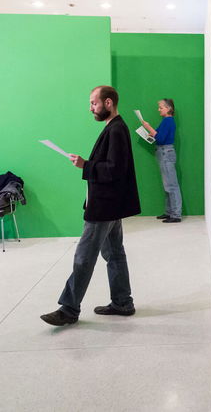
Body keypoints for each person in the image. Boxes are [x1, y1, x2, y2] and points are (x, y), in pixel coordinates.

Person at [41, 85, 141, 326]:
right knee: (114, 254)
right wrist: (86, 164)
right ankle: (123, 302)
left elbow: (115, 170)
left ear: (108, 103)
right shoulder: (114, 127)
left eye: (94, 103)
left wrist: (85, 165)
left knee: (84, 257)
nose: (91, 108)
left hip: (104, 206)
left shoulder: (116, 130)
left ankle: (69, 309)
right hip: (110, 204)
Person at [141, 98, 182, 223]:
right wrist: (151, 133)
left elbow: (161, 138)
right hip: (163, 153)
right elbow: (158, 134)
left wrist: (148, 127)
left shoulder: (168, 121)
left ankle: (176, 214)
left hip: (165, 153)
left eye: (161, 107)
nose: (159, 109)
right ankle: (169, 212)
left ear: (168, 108)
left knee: (171, 185)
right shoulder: (166, 121)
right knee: (167, 184)